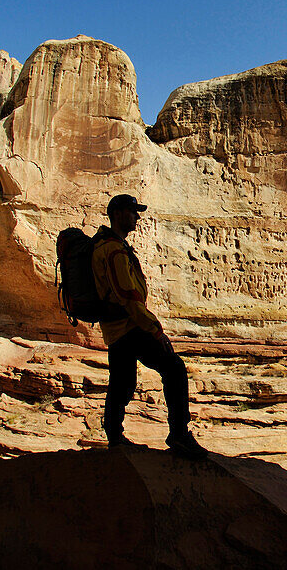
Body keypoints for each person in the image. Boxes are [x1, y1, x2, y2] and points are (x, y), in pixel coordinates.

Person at [92, 193, 207, 459]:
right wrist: (155, 330)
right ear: (119, 214)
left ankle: (115, 438)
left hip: (116, 329)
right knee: (174, 368)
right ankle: (179, 434)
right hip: (130, 326)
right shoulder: (113, 250)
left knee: (122, 382)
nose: (137, 217)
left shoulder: (107, 246)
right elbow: (128, 296)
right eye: (133, 212)